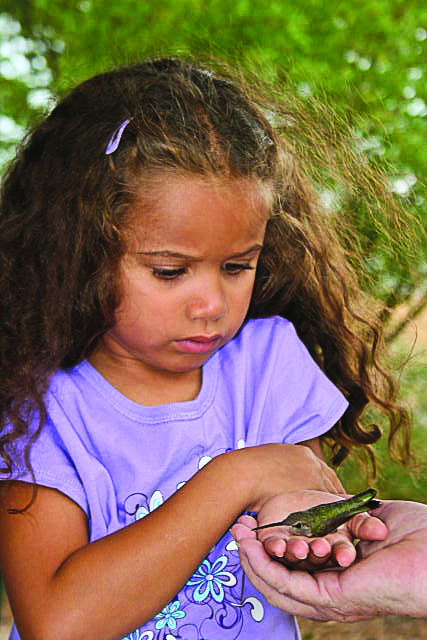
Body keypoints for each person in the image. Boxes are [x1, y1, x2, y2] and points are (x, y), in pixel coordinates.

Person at [0, 57, 410, 640]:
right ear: (79, 254)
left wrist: (313, 543)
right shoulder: (40, 409)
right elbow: (59, 623)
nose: (211, 304)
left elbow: (291, 515)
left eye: (238, 266)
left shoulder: (268, 365)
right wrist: (234, 480)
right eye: (171, 271)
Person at [232, 491, 427, 620]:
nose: (291, 528)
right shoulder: (306, 520)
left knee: (347, 509)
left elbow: (335, 516)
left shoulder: (316, 528)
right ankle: (362, 503)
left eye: (297, 526)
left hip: (339, 512)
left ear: (306, 528)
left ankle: (362, 504)